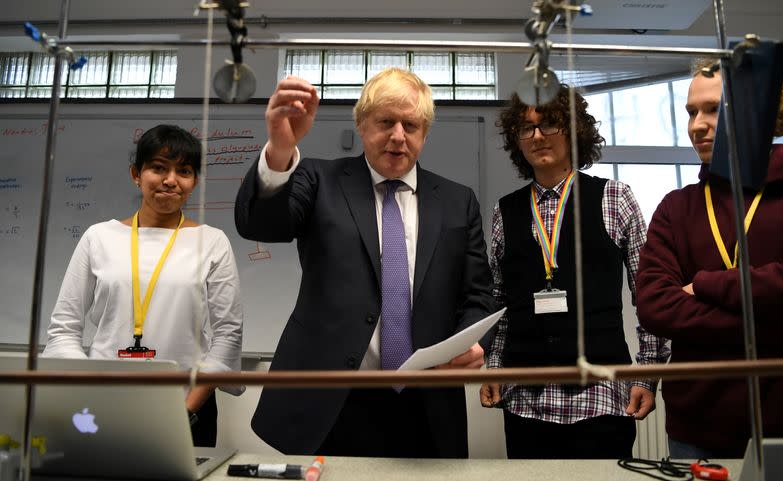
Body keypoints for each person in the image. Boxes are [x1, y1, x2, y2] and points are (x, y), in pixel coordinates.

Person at [234, 67, 495, 458]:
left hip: (426, 403)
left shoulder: (458, 201)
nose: (397, 136)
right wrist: (280, 150)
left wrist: (476, 342)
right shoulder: (319, 178)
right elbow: (262, 224)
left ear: (424, 132)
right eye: (386, 122)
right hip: (332, 400)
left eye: (411, 124)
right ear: (361, 123)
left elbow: (477, 294)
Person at [480, 88, 670, 459]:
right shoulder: (505, 211)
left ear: (574, 130)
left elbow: (648, 296)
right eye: (526, 128)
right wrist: (494, 368)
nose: (536, 136)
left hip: (600, 399)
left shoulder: (615, 197)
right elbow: (499, 306)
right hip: (525, 403)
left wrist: (648, 374)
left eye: (548, 124)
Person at [636, 59, 783, 459]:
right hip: (697, 429)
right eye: (692, 111)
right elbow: (655, 306)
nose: (696, 125)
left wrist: (709, 284)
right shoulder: (676, 207)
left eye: (712, 110)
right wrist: (779, 321)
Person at [43, 124, 244, 447]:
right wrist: (87, 395)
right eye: (158, 168)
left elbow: (228, 334)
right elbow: (64, 329)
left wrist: (186, 410)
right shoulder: (99, 238)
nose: (170, 180)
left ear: (194, 182)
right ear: (136, 173)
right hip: (101, 407)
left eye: (185, 171)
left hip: (188, 410)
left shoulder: (211, 242)